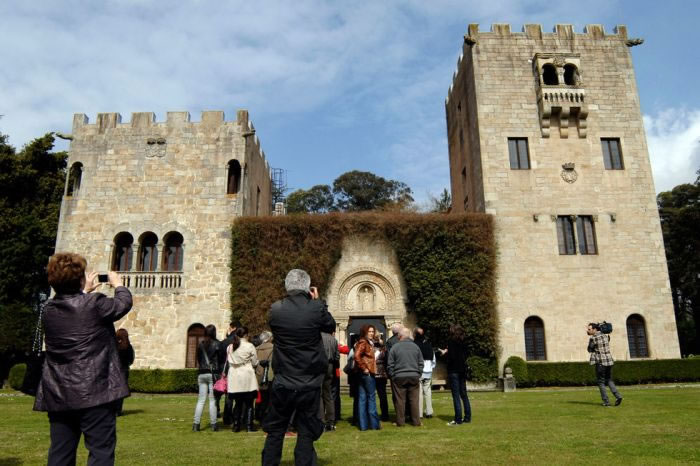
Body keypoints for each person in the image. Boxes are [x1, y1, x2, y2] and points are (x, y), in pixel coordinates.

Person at [35, 253, 132, 465]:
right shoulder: (95, 304)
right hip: (94, 391)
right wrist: (119, 285)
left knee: (60, 453)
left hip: (59, 392)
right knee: (100, 452)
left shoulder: (48, 310)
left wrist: (83, 291)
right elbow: (122, 304)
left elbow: (74, 309)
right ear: (79, 279)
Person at [262, 269, 336, 466]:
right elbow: (330, 326)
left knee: (276, 430)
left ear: (287, 286)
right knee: (305, 430)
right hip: (309, 381)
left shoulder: (276, 309)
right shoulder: (316, 308)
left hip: (284, 379)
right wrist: (319, 302)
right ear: (307, 287)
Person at [387, 328, 423, 427]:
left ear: (400, 336)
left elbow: (390, 364)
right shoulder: (416, 347)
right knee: (414, 400)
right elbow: (421, 362)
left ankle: (400, 422)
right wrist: (419, 373)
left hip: (399, 376)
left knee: (400, 400)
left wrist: (393, 375)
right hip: (414, 375)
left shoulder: (395, 347)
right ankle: (416, 422)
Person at [438, 324, 472, 426]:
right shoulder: (464, 341)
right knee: (464, 394)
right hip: (462, 369)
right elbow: (465, 355)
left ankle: (458, 419)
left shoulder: (451, 341)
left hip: (454, 370)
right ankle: (467, 417)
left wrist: (445, 353)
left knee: (456, 395)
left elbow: (452, 357)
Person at [228, 326, 259, 432]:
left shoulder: (230, 347)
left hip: (235, 376)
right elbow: (255, 362)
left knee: (238, 402)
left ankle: (236, 425)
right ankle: (249, 426)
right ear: (246, 334)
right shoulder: (250, 346)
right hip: (246, 375)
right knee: (250, 403)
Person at [192, 324, 221, 432]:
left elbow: (199, 360)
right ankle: (214, 424)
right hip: (212, 374)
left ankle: (196, 424)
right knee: (212, 400)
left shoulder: (200, 344)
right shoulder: (217, 344)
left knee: (201, 400)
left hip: (201, 373)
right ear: (214, 332)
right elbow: (221, 360)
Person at [587, 323, 623, 407]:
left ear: (595, 329)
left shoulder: (593, 338)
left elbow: (589, 349)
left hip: (600, 362)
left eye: (589, 329)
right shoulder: (606, 336)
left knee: (601, 382)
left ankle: (606, 402)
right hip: (609, 361)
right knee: (609, 380)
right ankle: (618, 396)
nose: (588, 330)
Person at [353, 324, 381, 431]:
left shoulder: (367, 342)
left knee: (363, 399)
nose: (371, 333)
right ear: (364, 332)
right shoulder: (363, 342)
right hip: (367, 374)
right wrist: (364, 368)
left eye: (372, 331)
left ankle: (363, 426)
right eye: (369, 331)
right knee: (371, 398)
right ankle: (374, 425)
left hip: (364, 374)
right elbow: (356, 356)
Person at [220, 321, 240, 425]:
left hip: (228, 370)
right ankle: (237, 416)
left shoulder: (225, 342)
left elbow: (221, 358)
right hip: (239, 370)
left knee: (229, 396)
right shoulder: (240, 341)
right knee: (239, 396)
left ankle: (227, 417)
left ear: (233, 328)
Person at [413, 327, 435, 419]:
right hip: (428, 371)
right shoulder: (428, 344)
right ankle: (429, 412)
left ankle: (420, 413)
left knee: (419, 392)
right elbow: (433, 358)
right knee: (428, 392)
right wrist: (431, 367)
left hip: (419, 371)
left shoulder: (414, 345)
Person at [320, 331, 339, 431]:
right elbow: (337, 356)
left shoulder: (317, 337)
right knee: (328, 395)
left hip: (319, 365)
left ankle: (321, 421)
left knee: (319, 395)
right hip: (330, 366)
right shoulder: (333, 340)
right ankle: (331, 421)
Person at [255, 331, 274, 423]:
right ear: (270, 338)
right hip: (269, 376)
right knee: (270, 399)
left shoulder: (256, 349)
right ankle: (267, 418)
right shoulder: (273, 348)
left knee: (261, 398)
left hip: (259, 375)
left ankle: (259, 416)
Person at [115, 328, 135, 417]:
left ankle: (113, 410)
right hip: (124, 370)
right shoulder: (128, 347)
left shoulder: (114, 345)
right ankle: (118, 410)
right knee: (121, 391)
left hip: (114, 370)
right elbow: (131, 360)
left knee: (114, 390)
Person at [373, 336, 390, 422]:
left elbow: (387, 362)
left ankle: (385, 415)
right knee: (379, 395)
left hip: (380, 375)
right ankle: (376, 415)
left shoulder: (384, 351)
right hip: (375, 374)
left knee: (382, 395)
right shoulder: (382, 350)